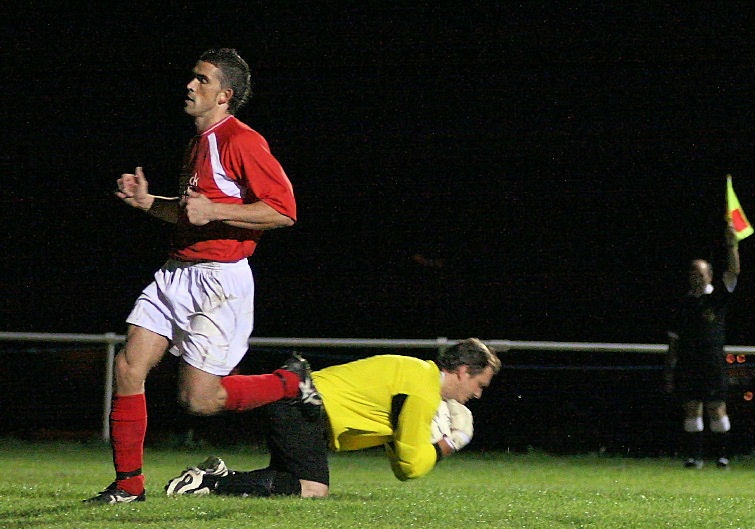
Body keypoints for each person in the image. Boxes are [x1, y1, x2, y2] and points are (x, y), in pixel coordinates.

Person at [86, 48, 321, 504]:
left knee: (199, 400)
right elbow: (190, 214)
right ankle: (129, 485)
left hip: (219, 282)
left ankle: (291, 382)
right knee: (128, 366)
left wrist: (214, 208)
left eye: (202, 80)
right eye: (192, 78)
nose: (190, 86)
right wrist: (149, 202)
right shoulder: (198, 141)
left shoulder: (242, 140)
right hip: (175, 274)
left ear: (225, 95)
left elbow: (283, 211)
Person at [164, 338, 501, 498]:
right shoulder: (423, 390)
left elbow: (401, 462)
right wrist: (450, 443)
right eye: (479, 384)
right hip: (304, 406)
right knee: (313, 488)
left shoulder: (417, 375)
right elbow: (411, 467)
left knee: (286, 479)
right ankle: (206, 484)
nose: (478, 394)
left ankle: (218, 475)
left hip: (300, 401)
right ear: (461, 371)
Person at [663, 224, 741, 469]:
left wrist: (732, 245)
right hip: (688, 363)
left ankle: (722, 457)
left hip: (712, 362)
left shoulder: (717, 297)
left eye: (700, 273)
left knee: (717, 408)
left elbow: (734, 272)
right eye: (692, 273)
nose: (696, 277)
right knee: (691, 408)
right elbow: (674, 340)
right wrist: (669, 369)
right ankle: (694, 458)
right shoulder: (683, 304)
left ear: (709, 275)